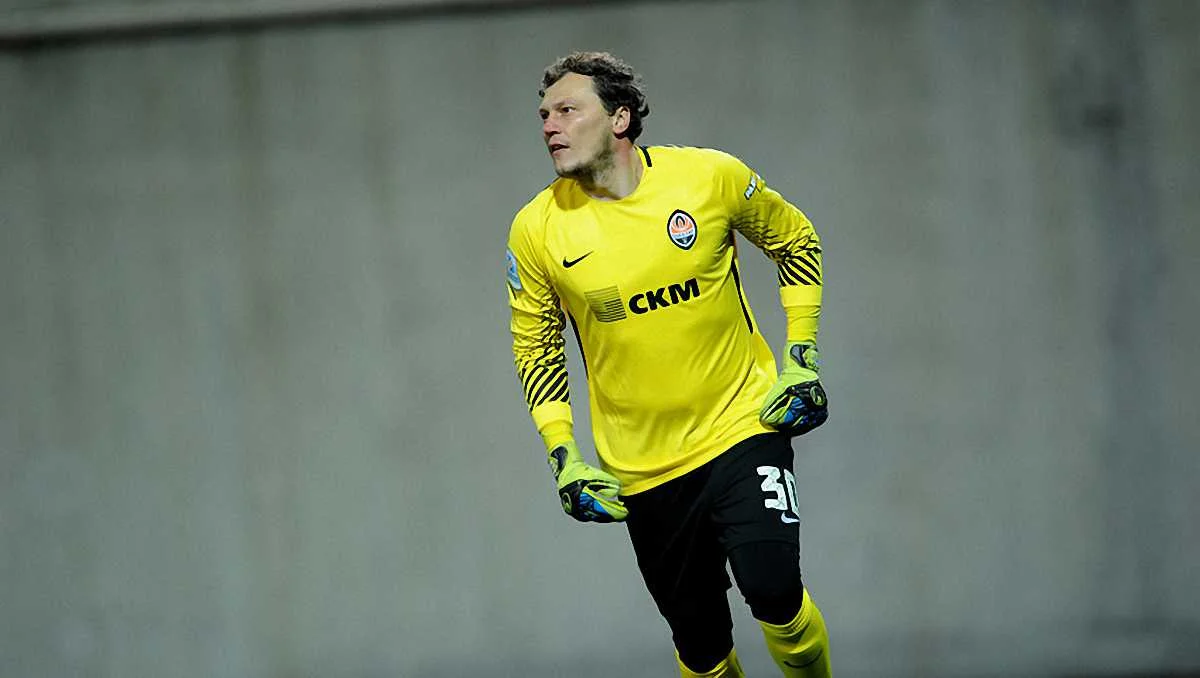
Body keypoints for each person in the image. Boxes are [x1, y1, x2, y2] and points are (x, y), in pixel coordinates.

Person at [505, 51, 832, 678]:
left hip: (742, 427)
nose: (550, 125)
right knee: (702, 650)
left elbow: (796, 241)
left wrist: (802, 357)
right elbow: (536, 346)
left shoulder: (708, 178)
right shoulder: (536, 229)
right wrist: (563, 454)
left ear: (620, 118)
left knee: (774, 591)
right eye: (544, 114)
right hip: (643, 468)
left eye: (567, 109)